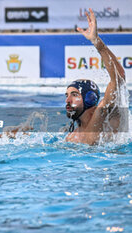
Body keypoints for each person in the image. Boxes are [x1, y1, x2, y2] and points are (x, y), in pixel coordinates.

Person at [65, 8, 126, 145]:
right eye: (67, 95)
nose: (67, 100)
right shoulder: (71, 137)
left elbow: (119, 77)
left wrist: (96, 41)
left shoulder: (106, 115)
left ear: (89, 98)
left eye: (74, 94)